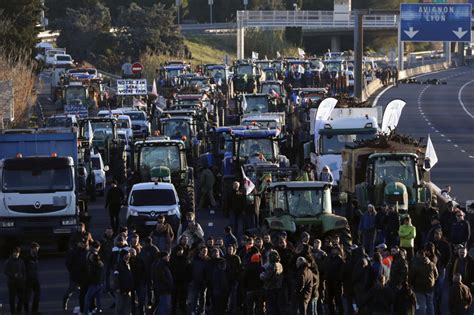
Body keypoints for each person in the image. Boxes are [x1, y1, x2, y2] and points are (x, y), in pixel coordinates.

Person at [409, 249, 438, 315]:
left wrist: (411, 284)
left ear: (418, 255)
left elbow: (411, 277)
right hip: (430, 287)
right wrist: (432, 281)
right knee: (430, 304)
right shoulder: (431, 264)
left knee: (421, 305)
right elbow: (436, 275)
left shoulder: (416, 265)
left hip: (419, 288)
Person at [260, 250, 284, 315]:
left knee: (271, 307)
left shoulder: (272, 266)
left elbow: (267, 277)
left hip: (270, 288)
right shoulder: (280, 264)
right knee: (276, 306)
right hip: (278, 287)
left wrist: (261, 275)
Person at [4, 247, 26, 315]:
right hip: (12, 283)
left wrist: (23, 279)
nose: (17, 254)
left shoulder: (21, 261)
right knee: (12, 299)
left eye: (18, 253)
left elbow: (24, 271)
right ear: (13, 253)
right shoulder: (8, 261)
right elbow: (5, 271)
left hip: (20, 282)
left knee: (22, 297)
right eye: (15, 252)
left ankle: (18, 310)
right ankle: (13, 312)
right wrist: (13, 275)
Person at [85, 241, 104, 315]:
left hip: (94, 284)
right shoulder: (101, 264)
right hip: (100, 283)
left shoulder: (92, 266)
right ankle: (98, 310)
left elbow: (90, 275)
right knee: (98, 298)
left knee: (87, 299)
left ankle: (86, 313)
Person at [114, 249, 133, 315]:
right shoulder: (119, 265)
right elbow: (116, 277)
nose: (129, 256)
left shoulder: (127, 264)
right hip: (121, 289)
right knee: (119, 307)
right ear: (123, 256)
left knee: (127, 306)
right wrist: (118, 287)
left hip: (127, 289)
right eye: (128, 255)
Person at [24, 242, 40, 314]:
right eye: (36, 249)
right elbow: (23, 269)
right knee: (27, 296)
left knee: (38, 294)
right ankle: (27, 311)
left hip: (35, 278)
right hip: (28, 279)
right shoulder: (27, 258)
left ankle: (34, 311)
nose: (37, 250)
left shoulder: (36, 256)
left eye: (38, 249)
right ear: (32, 249)